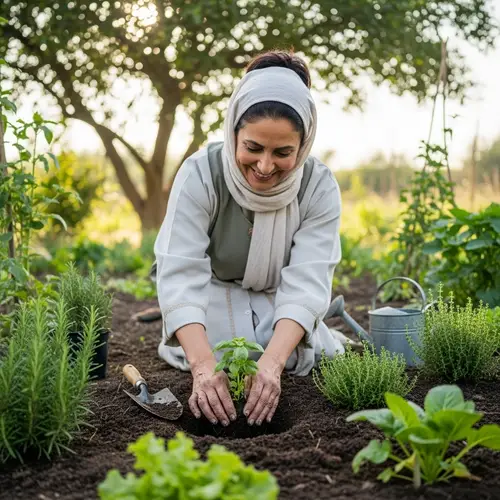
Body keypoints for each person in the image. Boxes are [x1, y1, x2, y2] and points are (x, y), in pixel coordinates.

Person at [152, 50, 348, 429]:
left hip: (279, 300)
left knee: (292, 357)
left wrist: (272, 365)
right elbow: (179, 272)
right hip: (212, 293)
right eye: (253, 148)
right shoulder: (201, 173)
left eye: (283, 152)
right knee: (222, 353)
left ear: (303, 146)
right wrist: (203, 366)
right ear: (233, 133)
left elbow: (308, 282)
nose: (264, 166)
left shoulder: (318, 186)